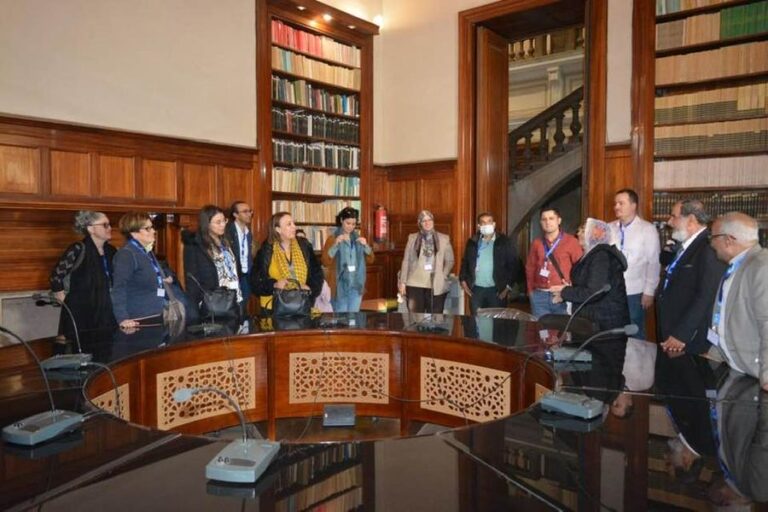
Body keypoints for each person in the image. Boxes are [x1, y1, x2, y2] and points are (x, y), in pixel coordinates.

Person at [707, 212, 768, 391]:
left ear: (728, 240)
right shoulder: (737, 265)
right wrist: (716, 352)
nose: (711, 243)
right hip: (736, 368)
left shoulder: (762, 267)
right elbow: (724, 313)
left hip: (755, 375)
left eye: (713, 237)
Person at [657, 200, 726, 355]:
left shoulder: (708, 248)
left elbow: (707, 295)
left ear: (691, 220)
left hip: (688, 337)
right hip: (672, 325)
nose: (669, 222)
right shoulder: (684, 244)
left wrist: (682, 333)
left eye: (674, 217)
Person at [551, 218, 630, 340]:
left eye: (583, 231)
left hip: (604, 324)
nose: (578, 234)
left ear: (594, 234)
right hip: (593, 320)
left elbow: (594, 292)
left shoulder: (601, 256)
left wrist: (565, 292)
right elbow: (586, 285)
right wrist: (566, 292)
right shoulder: (592, 254)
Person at [49, 210, 117, 341]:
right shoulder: (78, 248)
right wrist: (62, 297)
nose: (110, 228)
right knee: (81, 346)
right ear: (91, 228)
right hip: (81, 311)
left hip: (105, 310)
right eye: (105, 225)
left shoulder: (111, 250)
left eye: (109, 224)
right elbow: (56, 277)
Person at [610, 188, 660, 339]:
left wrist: (649, 291)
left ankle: (637, 355)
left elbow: (653, 262)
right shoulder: (609, 228)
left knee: (634, 330)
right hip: (611, 290)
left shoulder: (647, 229)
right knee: (612, 330)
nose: (616, 207)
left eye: (621, 203)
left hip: (634, 291)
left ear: (633, 205)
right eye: (615, 203)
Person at [250, 212, 324, 311]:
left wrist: (310, 288)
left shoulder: (304, 246)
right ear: (278, 229)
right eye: (289, 224)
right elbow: (255, 282)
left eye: (293, 223)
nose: (294, 227)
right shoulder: (266, 250)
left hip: (302, 303)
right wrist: (274, 285)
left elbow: (317, 273)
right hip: (274, 307)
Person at [111, 212, 173, 329]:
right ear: (133, 233)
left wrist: (162, 279)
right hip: (138, 320)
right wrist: (123, 318)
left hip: (155, 315)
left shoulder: (146, 251)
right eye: (147, 228)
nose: (153, 231)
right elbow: (119, 288)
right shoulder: (126, 254)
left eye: (152, 227)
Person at [183, 205, 242, 319]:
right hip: (213, 303)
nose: (223, 225)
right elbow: (192, 279)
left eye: (224, 220)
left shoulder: (227, 241)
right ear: (207, 224)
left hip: (234, 299)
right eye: (218, 222)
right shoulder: (195, 245)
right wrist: (200, 302)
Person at [525, 207, 583, 318]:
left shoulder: (571, 241)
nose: (547, 222)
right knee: (541, 327)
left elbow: (580, 268)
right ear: (541, 222)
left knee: (562, 327)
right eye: (544, 219)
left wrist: (572, 289)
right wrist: (531, 292)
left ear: (559, 220)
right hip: (539, 296)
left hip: (562, 295)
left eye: (551, 218)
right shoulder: (537, 243)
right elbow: (530, 268)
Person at [459, 212, 520, 315]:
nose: (486, 225)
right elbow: (465, 262)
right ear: (479, 226)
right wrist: (463, 281)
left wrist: (507, 288)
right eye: (483, 223)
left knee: (497, 321)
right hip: (476, 290)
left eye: (489, 222)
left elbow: (513, 266)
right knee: (477, 320)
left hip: (497, 290)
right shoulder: (472, 242)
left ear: (494, 224)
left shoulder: (504, 242)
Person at [398, 210, 455, 314]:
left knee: (435, 318)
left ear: (433, 221)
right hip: (414, 283)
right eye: (424, 221)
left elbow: (450, 260)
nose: (427, 223)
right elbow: (406, 260)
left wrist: (443, 274)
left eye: (429, 220)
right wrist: (403, 282)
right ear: (420, 223)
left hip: (435, 284)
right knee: (415, 318)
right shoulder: (412, 238)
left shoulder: (444, 239)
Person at [321, 207, 374, 312]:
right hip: (339, 287)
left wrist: (366, 246)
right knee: (341, 319)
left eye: (353, 224)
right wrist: (335, 245)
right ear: (341, 220)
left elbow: (371, 260)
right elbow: (325, 262)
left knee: (353, 318)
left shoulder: (358, 239)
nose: (351, 227)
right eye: (348, 223)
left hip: (356, 285)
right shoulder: (332, 239)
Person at [225, 201, 254, 309]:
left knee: (244, 306)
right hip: (234, 275)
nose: (249, 214)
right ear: (235, 215)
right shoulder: (228, 231)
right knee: (234, 307)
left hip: (246, 275)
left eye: (250, 211)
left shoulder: (248, 233)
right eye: (245, 211)